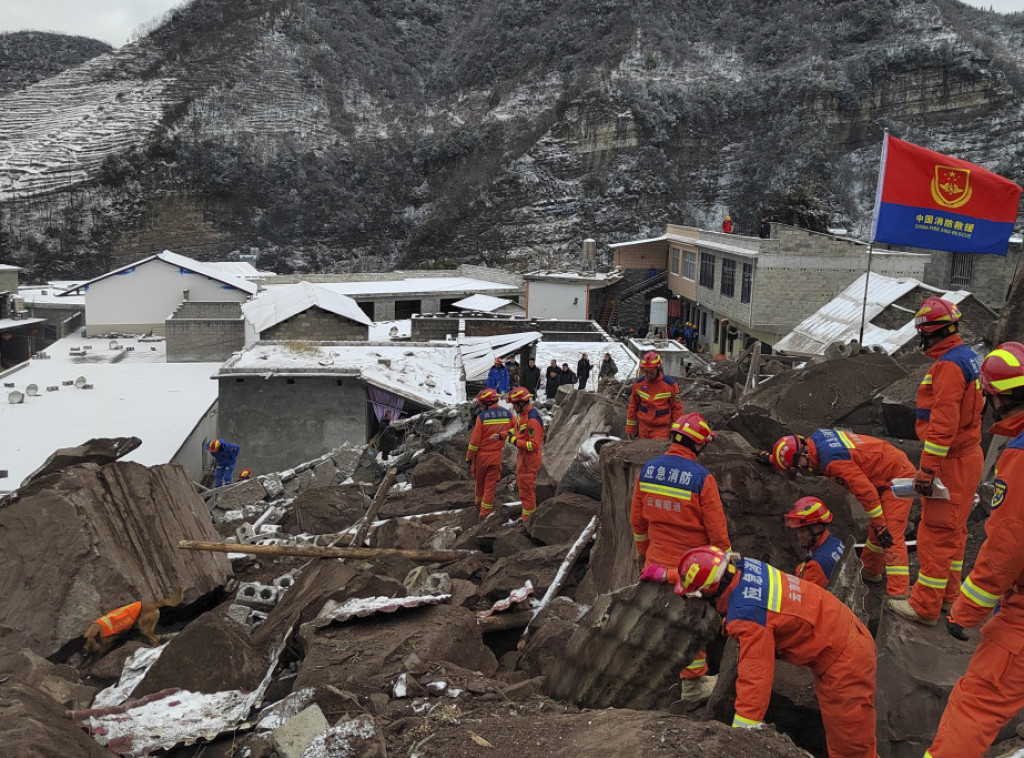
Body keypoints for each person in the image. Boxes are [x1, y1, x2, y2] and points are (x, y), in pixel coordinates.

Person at [671, 546, 879, 757]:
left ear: (710, 593)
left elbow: (755, 679)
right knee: (852, 741)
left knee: (851, 749)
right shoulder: (743, 568)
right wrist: (665, 574)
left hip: (845, 658)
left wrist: (740, 735)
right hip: (841, 632)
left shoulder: (748, 617)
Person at [925, 342, 1024, 758]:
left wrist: (965, 611)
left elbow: (1007, 544)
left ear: (998, 396)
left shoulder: (1020, 455)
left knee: (976, 704)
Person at [889, 297, 984, 627]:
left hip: (951, 461)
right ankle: (947, 597)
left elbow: (943, 425)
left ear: (929, 332)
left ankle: (925, 606)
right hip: (968, 458)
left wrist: (927, 470)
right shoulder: (967, 358)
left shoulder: (947, 367)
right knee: (955, 533)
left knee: (936, 533)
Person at [632, 413, 730, 708]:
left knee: (659, 619)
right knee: (691, 627)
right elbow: (718, 535)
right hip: (691, 571)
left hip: (655, 565)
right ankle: (692, 686)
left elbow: (637, 524)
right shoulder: (702, 479)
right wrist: (724, 572)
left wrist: (644, 558)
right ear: (698, 445)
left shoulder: (647, 471)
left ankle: (653, 678)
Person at [770, 429, 913, 595]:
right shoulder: (816, 440)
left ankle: (899, 594)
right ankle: (870, 571)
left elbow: (866, 493)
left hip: (897, 476)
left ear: (803, 453)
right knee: (877, 529)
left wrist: (881, 526)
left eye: (798, 465)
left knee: (890, 534)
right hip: (884, 466)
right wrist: (772, 458)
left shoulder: (833, 462)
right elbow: (792, 454)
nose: (800, 470)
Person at [466, 388, 513, 519]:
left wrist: (469, 458)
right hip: (496, 455)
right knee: (490, 484)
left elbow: (474, 442)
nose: (480, 407)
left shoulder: (482, 418)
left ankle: (478, 504)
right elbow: (517, 429)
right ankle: (485, 513)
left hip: (481, 456)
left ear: (486, 403)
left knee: (479, 480)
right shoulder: (507, 414)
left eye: (481, 404)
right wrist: (504, 435)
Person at [784, 497, 845, 588]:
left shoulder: (815, 566)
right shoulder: (835, 542)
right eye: (798, 531)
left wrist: (800, 571)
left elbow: (803, 597)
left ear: (818, 529)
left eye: (803, 531)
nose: (798, 535)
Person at [507, 387, 544, 522]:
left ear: (521, 403)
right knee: (523, 490)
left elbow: (533, 445)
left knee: (527, 492)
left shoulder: (532, 419)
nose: (513, 408)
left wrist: (515, 441)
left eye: (515, 405)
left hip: (529, 460)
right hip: (523, 459)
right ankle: (527, 518)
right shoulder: (522, 416)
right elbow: (519, 432)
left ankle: (528, 521)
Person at [626, 352, 682, 440]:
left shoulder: (670, 385)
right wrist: (630, 428)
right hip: (643, 427)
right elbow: (633, 407)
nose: (648, 375)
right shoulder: (639, 384)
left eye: (651, 372)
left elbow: (677, 409)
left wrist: (676, 430)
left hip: (661, 428)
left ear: (658, 368)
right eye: (646, 372)